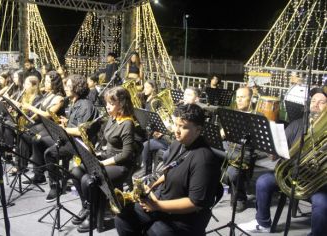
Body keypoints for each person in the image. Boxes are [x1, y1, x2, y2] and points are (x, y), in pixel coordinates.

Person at [115, 104, 222, 236]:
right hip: (163, 201)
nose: (176, 131)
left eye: (183, 127)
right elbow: (170, 170)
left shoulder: (204, 159)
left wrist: (157, 206)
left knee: (155, 231)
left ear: (198, 130)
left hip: (185, 218)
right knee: (123, 219)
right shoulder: (178, 143)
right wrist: (152, 185)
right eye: (176, 124)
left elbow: (195, 203)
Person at [239, 89, 327, 235]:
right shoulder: (297, 124)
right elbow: (275, 155)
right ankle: (263, 222)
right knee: (263, 182)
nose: (316, 105)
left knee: (323, 203)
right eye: (313, 101)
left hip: (316, 183)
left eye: (322, 102)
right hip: (290, 175)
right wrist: (271, 149)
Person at [70, 86, 140, 232]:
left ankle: (95, 215)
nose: (107, 106)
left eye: (111, 103)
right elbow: (106, 141)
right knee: (76, 172)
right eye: (107, 103)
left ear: (121, 104)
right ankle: (87, 206)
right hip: (106, 158)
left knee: (88, 180)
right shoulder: (112, 118)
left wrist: (102, 163)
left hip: (121, 165)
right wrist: (95, 151)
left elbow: (126, 154)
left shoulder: (127, 123)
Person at [42, 74, 100, 202]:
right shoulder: (75, 102)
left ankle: (56, 187)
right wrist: (67, 122)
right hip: (71, 140)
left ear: (77, 87)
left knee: (49, 154)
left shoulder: (85, 105)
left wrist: (64, 129)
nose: (66, 88)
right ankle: (57, 183)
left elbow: (81, 131)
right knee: (45, 146)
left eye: (68, 86)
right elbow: (77, 122)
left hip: (80, 145)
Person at [222, 87, 255, 213]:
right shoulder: (232, 114)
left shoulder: (257, 117)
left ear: (251, 99)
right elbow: (222, 134)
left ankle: (240, 197)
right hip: (229, 146)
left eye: (243, 97)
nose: (239, 100)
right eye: (237, 97)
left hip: (244, 150)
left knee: (233, 173)